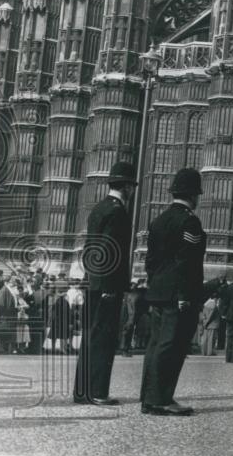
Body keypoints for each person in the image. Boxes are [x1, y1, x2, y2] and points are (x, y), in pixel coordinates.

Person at [140, 168, 212, 416]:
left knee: (155, 345)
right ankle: (162, 399)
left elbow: (150, 261)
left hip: (158, 292)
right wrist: (183, 295)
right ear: (193, 195)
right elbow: (187, 263)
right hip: (177, 295)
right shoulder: (189, 221)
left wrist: (155, 284)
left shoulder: (158, 220)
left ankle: (149, 398)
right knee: (171, 347)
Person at [73, 161, 136, 405]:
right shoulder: (117, 211)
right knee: (103, 339)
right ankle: (97, 392)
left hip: (94, 283)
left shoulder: (99, 208)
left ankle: (82, 391)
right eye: (131, 187)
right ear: (128, 187)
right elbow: (109, 251)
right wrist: (110, 287)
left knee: (91, 337)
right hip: (106, 286)